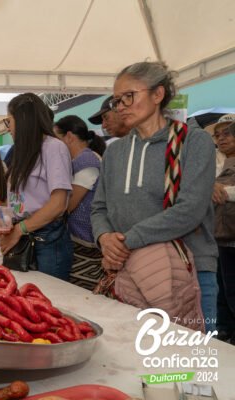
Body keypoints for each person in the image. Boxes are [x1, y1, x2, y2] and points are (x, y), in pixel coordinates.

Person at [90, 61, 218, 331]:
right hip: (130, 274)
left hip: (187, 274)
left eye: (129, 96)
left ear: (157, 95)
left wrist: (126, 241)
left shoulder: (192, 142)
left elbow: (190, 211)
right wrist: (104, 238)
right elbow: (99, 208)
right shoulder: (114, 153)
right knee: (136, 364)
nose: (121, 106)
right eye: (116, 100)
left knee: (186, 367)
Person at [0, 93, 74, 280]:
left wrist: (19, 229)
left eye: (9, 121)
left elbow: (58, 204)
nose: (8, 129)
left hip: (46, 240)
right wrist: (4, 220)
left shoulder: (54, 147)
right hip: (22, 234)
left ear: (23, 120)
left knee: (48, 300)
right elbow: (14, 197)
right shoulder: (21, 152)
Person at [53, 115, 106, 289]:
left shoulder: (87, 162)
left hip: (87, 244)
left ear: (69, 137)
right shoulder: (80, 160)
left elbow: (68, 205)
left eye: (56, 138)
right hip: (81, 242)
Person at [213, 121, 235, 342]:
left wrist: (223, 191)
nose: (221, 138)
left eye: (227, 134)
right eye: (217, 135)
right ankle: (225, 329)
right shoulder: (218, 162)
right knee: (223, 290)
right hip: (220, 238)